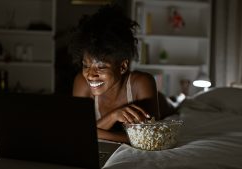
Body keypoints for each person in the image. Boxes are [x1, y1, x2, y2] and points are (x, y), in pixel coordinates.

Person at [69, 4, 174, 143]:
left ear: (123, 66)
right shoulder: (82, 83)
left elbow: (151, 137)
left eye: (101, 67)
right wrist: (113, 116)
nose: (90, 75)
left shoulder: (142, 82)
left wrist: (92, 132)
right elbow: (77, 132)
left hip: (165, 104)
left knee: (174, 104)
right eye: (86, 65)